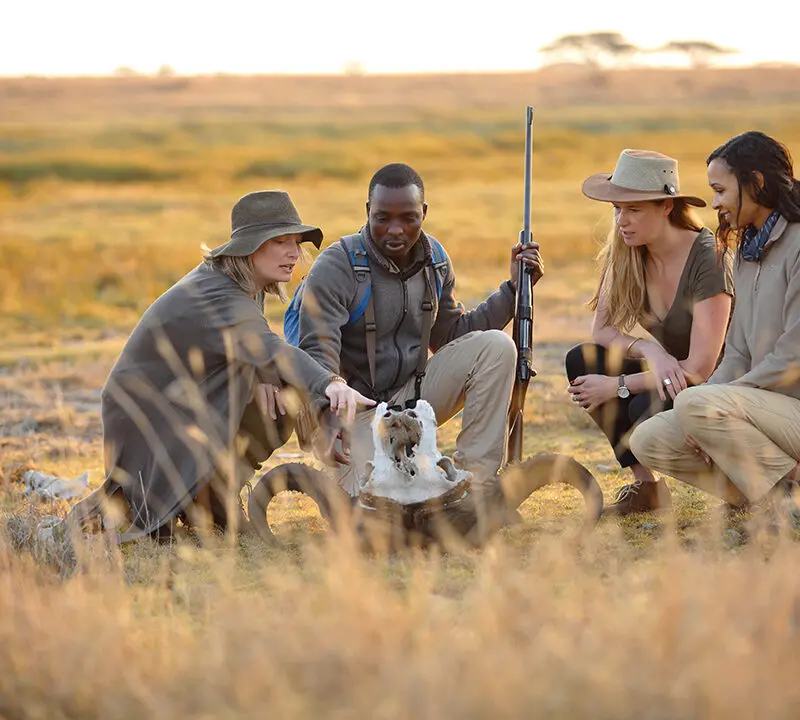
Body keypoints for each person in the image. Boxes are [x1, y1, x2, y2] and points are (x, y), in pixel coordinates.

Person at [66, 190, 374, 542]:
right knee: (288, 386)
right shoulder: (220, 293)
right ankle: (195, 501)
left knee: (281, 389)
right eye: (281, 242)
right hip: (147, 417)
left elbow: (252, 346)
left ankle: (214, 495)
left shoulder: (242, 281)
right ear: (250, 246)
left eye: (296, 242)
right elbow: (273, 348)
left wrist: (261, 373)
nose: (294, 253)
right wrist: (332, 383)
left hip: (182, 401)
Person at [294, 162, 543, 497]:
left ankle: (476, 489)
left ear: (423, 213)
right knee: (377, 504)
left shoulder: (435, 260)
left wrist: (513, 290)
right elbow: (317, 351)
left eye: (408, 218)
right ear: (368, 211)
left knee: (496, 346)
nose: (395, 230)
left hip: (417, 400)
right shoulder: (336, 266)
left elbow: (453, 336)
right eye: (383, 218)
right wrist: (327, 415)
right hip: (357, 412)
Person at [629, 131, 800, 516]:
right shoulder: (747, 250)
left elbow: (794, 354)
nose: (716, 202)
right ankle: (761, 500)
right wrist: (702, 411)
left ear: (756, 182)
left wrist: (712, 403)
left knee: (696, 403)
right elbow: (737, 351)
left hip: (792, 410)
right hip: (762, 407)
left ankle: (790, 499)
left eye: (721, 190)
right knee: (648, 438)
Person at [565, 150, 734, 515]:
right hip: (673, 373)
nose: (622, 221)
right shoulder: (627, 249)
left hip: (724, 386)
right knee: (582, 360)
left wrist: (616, 386)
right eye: (617, 209)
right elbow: (603, 332)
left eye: (634, 209)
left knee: (644, 404)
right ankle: (648, 489)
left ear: (666, 207)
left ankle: (739, 484)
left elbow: (701, 369)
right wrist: (650, 351)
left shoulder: (708, 258)